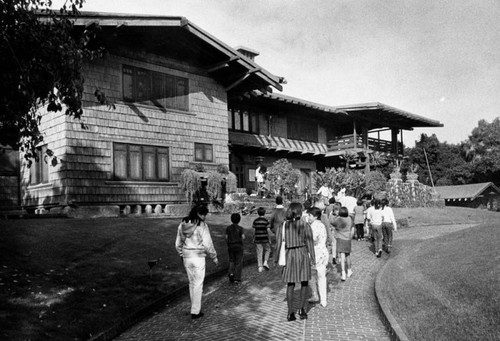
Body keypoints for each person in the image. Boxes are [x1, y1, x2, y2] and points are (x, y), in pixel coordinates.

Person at [175, 205, 218, 319]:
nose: (205, 217)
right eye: (204, 214)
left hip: (187, 256)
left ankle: (194, 308)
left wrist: (181, 253)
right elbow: (208, 244)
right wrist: (214, 257)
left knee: (192, 283)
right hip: (198, 257)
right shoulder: (202, 226)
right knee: (198, 284)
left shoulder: (182, 224)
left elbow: (178, 243)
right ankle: (195, 311)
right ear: (201, 214)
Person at [274, 202, 315, 321]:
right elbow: (310, 243)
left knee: (290, 284)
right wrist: (312, 258)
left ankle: (290, 312)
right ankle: (302, 310)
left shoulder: (283, 226)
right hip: (302, 254)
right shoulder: (305, 225)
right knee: (304, 283)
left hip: (289, 255)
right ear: (299, 212)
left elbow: (277, 244)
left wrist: (276, 259)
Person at [306, 207, 329, 307]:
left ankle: (315, 294)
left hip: (315, 252)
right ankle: (323, 299)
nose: (308, 217)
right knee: (321, 276)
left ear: (315, 216)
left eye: (310, 215)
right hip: (323, 252)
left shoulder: (313, 226)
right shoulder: (322, 225)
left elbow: (313, 238)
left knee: (311, 275)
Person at [332, 207, 353, 281]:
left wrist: (335, 215)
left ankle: (343, 273)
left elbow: (333, 223)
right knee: (348, 255)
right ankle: (349, 270)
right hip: (348, 238)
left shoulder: (338, 219)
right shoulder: (349, 219)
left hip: (340, 238)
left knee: (342, 255)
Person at [225, 213, 245, 284]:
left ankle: (231, 273)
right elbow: (243, 237)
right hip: (239, 246)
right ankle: (237, 278)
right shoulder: (240, 228)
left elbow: (226, 237)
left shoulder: (228, 228)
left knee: (231, 260)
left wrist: (228, 243)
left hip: (231, 246)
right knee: (238, 262)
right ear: (239, 220)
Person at [252, 207, 272, 272]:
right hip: (265, 238)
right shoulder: (266, 221)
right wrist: (269, 239)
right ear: (264, 213)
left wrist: (253, 237)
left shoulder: (255, 221)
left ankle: (260, 266)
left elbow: (253, 230)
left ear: (258, 213)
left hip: (257, 238)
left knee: (259, 251)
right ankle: (265, 262)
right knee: (268, 249)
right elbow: (268, 230)